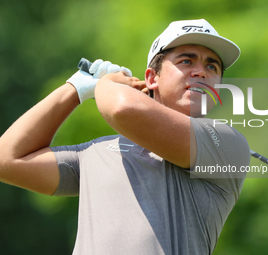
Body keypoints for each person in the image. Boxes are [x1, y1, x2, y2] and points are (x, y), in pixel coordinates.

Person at [0, 19, 250, 254]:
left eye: (212, 66)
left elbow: (121, 108)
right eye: (187, 61)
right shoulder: (95, 153)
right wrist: (74, 89)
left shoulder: (226, 143)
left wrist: (105, 83)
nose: (202, 72)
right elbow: (8, 160)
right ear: (152, 78)